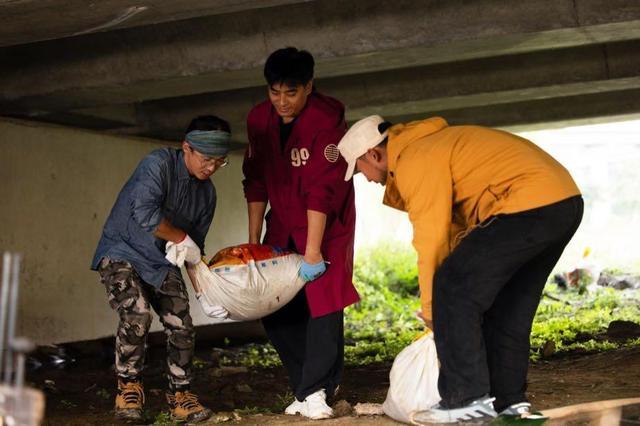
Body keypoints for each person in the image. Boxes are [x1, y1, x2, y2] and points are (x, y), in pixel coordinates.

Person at [337, 115, 583, 423]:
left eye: (360, 170)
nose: (368, 179)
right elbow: (459, 234)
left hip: (525, 204)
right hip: (562, 203)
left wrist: (431, 308)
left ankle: (465, 400)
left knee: (451, 287)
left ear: (373, 155)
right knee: (508, 307)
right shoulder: (433, 147)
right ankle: (509, 403)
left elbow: (431, 239)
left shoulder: (416, 159)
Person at [91, 115, 234, 423]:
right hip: (122, 251)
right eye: (207, 160)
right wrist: (182, 238)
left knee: (182, 323)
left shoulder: (207, 194)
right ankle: (128, 388)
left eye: (219, 163)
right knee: (138, 312)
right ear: (187, 148)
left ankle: (180, 397)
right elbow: (145, 213)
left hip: (161, 261)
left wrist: (206, 293)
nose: (211, 169)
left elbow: (193, 251)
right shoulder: (158, 164)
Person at [242, 47, 358, 420]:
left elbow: (321, 191)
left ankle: (316, 390)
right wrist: (253, 244)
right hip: (283, 221)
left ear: (309, 87)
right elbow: (256, 182)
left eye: (291, 93)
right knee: (274, 308)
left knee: (322, 303)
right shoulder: (259, 119)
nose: (282, 102)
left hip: (327, 226)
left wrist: (312, 253)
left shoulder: (327, 121)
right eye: (274, 92)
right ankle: (311, 387)